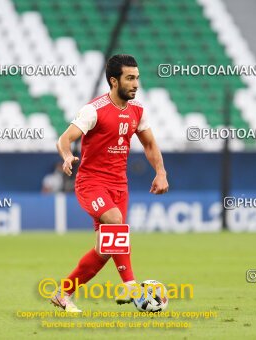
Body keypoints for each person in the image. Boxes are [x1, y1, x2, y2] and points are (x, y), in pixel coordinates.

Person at [52, 54, 169, 312]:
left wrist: (160, 172)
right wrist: (68, 154)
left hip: (119, 186)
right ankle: (132, 287)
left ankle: (62, 293)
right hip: (91, 183)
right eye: (130, 78)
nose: (136, 84)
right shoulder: (93, 110)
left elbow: (149, 144)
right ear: (114, 81)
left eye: (137, 78)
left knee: (106, 249)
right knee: (116, 222)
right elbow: (64, 138)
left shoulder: (137, 111)